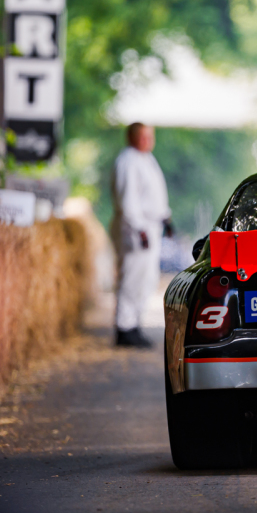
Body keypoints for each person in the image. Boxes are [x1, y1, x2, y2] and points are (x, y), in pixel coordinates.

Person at [112, 123, 173, 348]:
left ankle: (134, 323)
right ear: (131, 137)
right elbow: (128, 199)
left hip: (150, 225)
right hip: (136, 228)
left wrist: (166, 218)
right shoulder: (128, 160)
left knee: (146, 280)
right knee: (132, 278)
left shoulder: (147, 159)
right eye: (142, 136)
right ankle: (124, 327)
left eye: (149, 136)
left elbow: (153, 195)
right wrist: (138, 228)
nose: (147, 140)